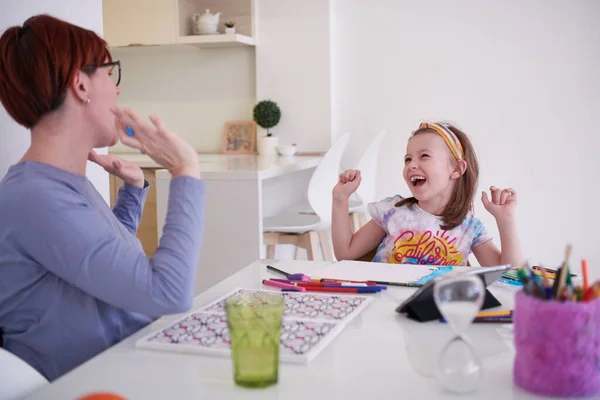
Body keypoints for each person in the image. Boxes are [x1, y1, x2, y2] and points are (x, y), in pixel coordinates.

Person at [0, 15, 205, 381]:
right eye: (111, 74)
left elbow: (96, 260)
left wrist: (134, 190)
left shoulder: (55, 185)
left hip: (129, 363)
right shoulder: (35, 199)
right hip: (99, 383)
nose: (117, 90)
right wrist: (184, 169)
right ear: (81, 84)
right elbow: (168, 292)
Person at [332, 122, 524, 267]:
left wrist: (506, 220)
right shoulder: (393, 212)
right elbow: (345, 253)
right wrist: (340, 199)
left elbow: (508, 274)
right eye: (407, 159)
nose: (411, 164)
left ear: (456, 169)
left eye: (424, 156)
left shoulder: (469, 227)